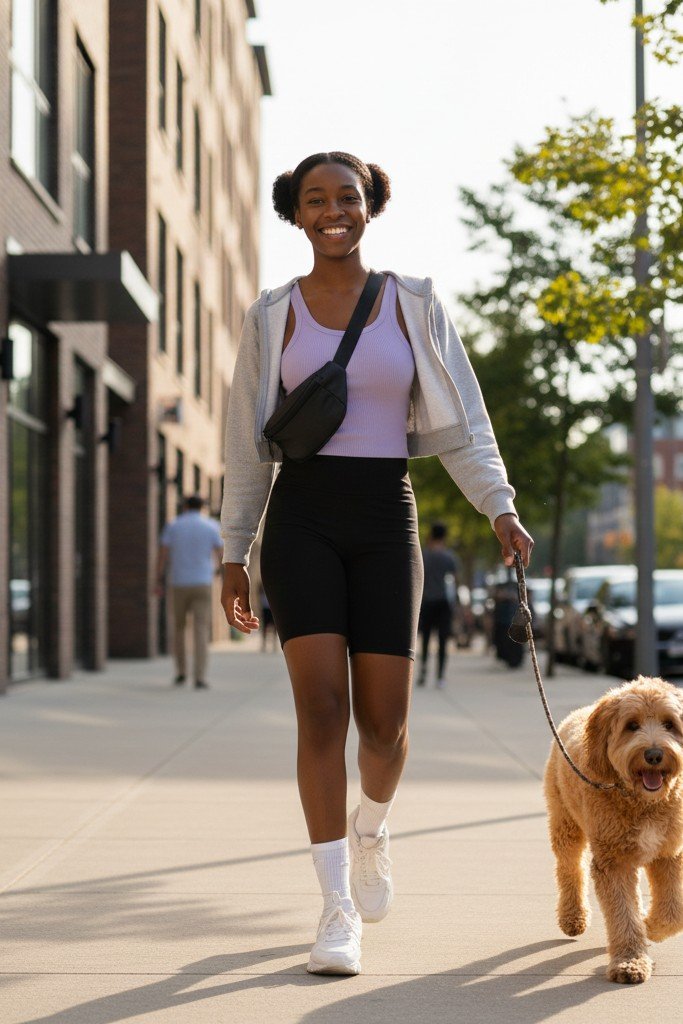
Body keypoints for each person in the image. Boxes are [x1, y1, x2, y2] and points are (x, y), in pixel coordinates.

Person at [219, 151, 534, 976]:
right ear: (295, 212)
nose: (333, 210)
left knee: (385, 727)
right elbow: (245, 446)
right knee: (320, 712)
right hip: (300, 520)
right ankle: (332, 909)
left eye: (347, 197)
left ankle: (371, 827)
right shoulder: (270, 315)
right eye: (316, 199)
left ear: (370, 207)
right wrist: (233, 550)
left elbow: (465, 423)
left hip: (384, 515)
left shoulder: (414, 305)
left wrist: (497, 506)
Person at [157, 495, 223, 690]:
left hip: (179, 581)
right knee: (201, 629)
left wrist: (157, 579)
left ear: (185, 506)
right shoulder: (211, 526)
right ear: (202, 507)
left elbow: (163, 554)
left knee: (179, 628)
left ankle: (181, 672)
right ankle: (200, 676)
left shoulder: (174, 525)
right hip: (203, 581)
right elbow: (221, 553)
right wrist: (220, 572)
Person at [418, 522, 457, 688]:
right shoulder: (449, 557)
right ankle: (440, 676)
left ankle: (423, 671)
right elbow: (455, 580)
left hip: (426, 601)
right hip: (444, 603)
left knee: (425, 639)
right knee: (442, 640)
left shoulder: (423, 555)